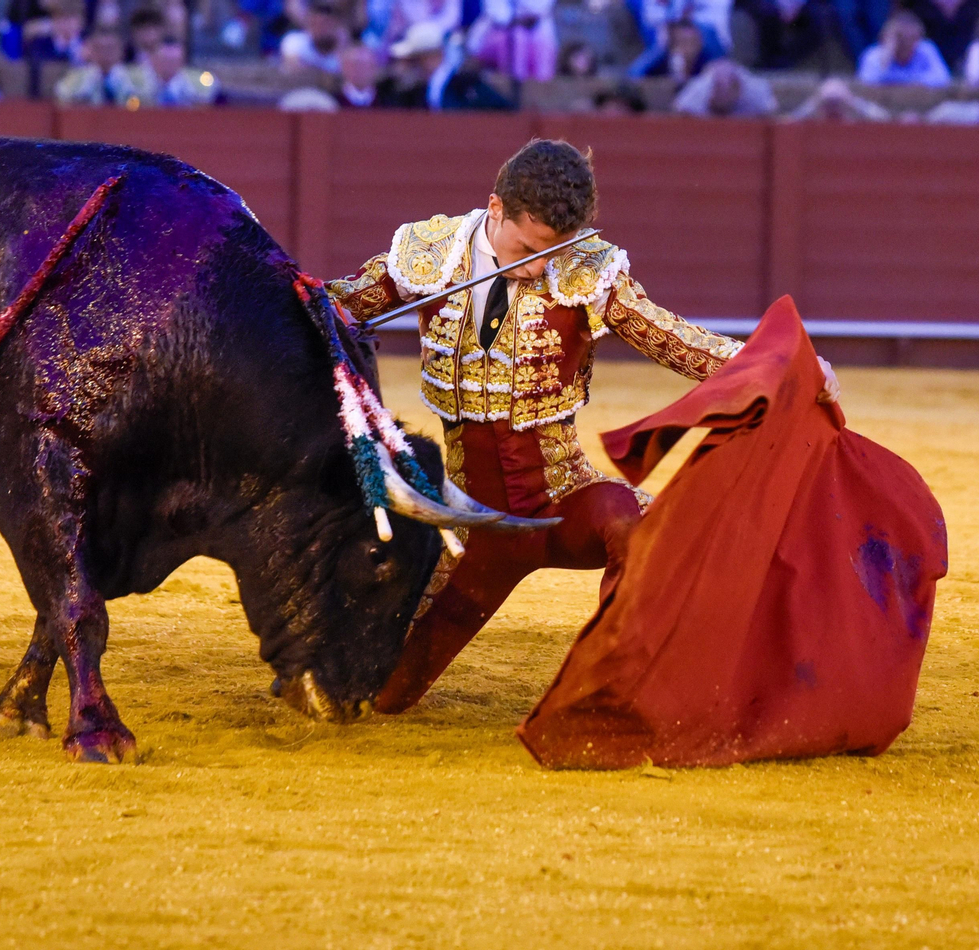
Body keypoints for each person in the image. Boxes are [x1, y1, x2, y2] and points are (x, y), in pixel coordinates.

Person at [325, 139, 841, 713]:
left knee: (642, 534)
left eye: (557, 249)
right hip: (471, 527)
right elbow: (337, 305)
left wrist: (783, 364)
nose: (543, 266)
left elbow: (673, 339)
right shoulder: (431, 254)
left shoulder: (588, 271)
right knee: (381, 694)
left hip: (564, 499)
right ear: (496, 209)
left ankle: (631, 698)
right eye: (530, 248)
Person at [382, 19, 514, 109]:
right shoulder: (410, 93)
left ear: (431, 58)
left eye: (413, 61)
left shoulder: (466, 85)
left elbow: (505, 112)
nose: (408, 68)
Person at [113, 33, 220, 107]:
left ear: (182, 61)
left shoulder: (199, 82)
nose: (169, 66)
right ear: (153, 59)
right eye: (165, 60)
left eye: (174, 61)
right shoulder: (132, 78)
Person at [465, 0, 557, 82]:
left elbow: (541, 8)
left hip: (537, 33)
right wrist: (517, 21)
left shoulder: (544, 32)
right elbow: (497, 13)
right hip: (498, 33)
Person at [857, 10, 951, 85]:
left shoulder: (926, 48)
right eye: (901, 37)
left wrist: (898, 82)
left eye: (912, 38)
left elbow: (943, 78)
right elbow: (867, 80)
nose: (907, 42)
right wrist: (887, 54)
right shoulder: (873, 54)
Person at [672, 58, 777, 116]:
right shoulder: (701, 88)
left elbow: (771, 110)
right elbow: (679, 108)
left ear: (737, 90)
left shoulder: (755, 90)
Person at [54, 27, 128, 103]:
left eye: (110, 49)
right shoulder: (75, 77)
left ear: (121, 51)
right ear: (91, 51)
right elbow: (62, 97)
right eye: (100, 49)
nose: (105, 53)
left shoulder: (136, 77)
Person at [627, 18, 715, 81]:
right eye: (683, 42)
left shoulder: (707, 62)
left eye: (693, 41)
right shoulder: (661, 64)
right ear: (672, 45)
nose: (689, 48)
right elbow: (633, 75)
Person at [279, 0, 349, 74]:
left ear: (336, 25)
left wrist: (341, 45)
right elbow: (294, 70)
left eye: (325, 24)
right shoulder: (294, 40)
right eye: (315, 24)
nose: (320, 28)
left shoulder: (345, 47)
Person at [784, 76, 892, 120]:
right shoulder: (813, 120)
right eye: (828, 103)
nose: (833, 108)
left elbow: (887, 119)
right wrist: (815, 103)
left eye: (838, 103)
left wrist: (852, 102)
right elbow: (788, 122)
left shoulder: (854, 114)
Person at [334, 39, 384, 105]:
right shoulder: (331, 103)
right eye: (355, 64)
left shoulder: (388, 103)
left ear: (374, 68)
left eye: (365, 65)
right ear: (343, 67)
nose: (359, 70)